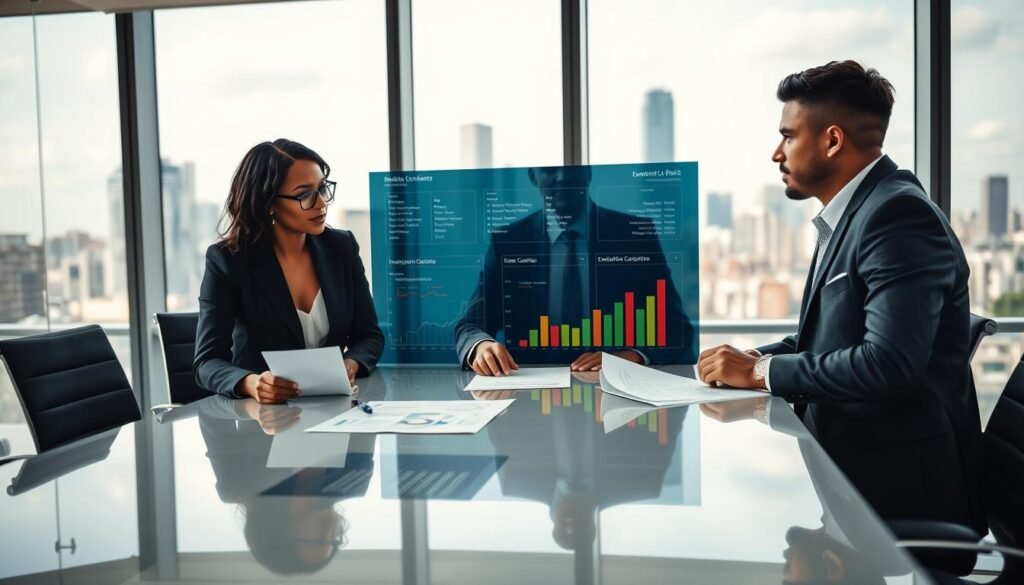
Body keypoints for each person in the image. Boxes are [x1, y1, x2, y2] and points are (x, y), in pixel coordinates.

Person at [695, 61, 986, 543]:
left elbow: (889, 364)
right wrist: (753, 360)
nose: (776, 153)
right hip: (850, 470)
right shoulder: (856, 212)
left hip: (896, 494)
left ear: (831, 141)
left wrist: (760, 375)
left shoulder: (897, 215)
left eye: (787, 136)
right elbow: (823, 337)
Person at [454, 166, 695, 376]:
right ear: (533, 176)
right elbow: (470, 325)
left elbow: (677, 329)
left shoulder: (635, 235)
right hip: (527, 399)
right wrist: (481, 346)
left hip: (615, 393)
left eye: (571, 169)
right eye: (549, 170)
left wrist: (631, 357)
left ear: (588, 173)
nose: (562, 178)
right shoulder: (507, 241)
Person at [194, 139, 384, 402]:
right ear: (268, 202)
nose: (321, 203)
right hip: (262, 421)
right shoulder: (228, 260)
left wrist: (350, 364)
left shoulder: (342, 247)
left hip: (337, 409)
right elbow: (207, 361)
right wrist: (251, 383)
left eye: (323, 189)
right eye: (305, 195)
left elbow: (369, 336)